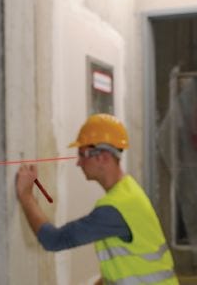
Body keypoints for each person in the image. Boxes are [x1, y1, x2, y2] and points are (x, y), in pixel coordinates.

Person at [15, 113, 178, 284]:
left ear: (103, 157)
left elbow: (54, 240)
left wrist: (26, 196)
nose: (78, 163)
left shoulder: (113, 209)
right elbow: (132, 261)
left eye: (82, 154)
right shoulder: (129, 192)